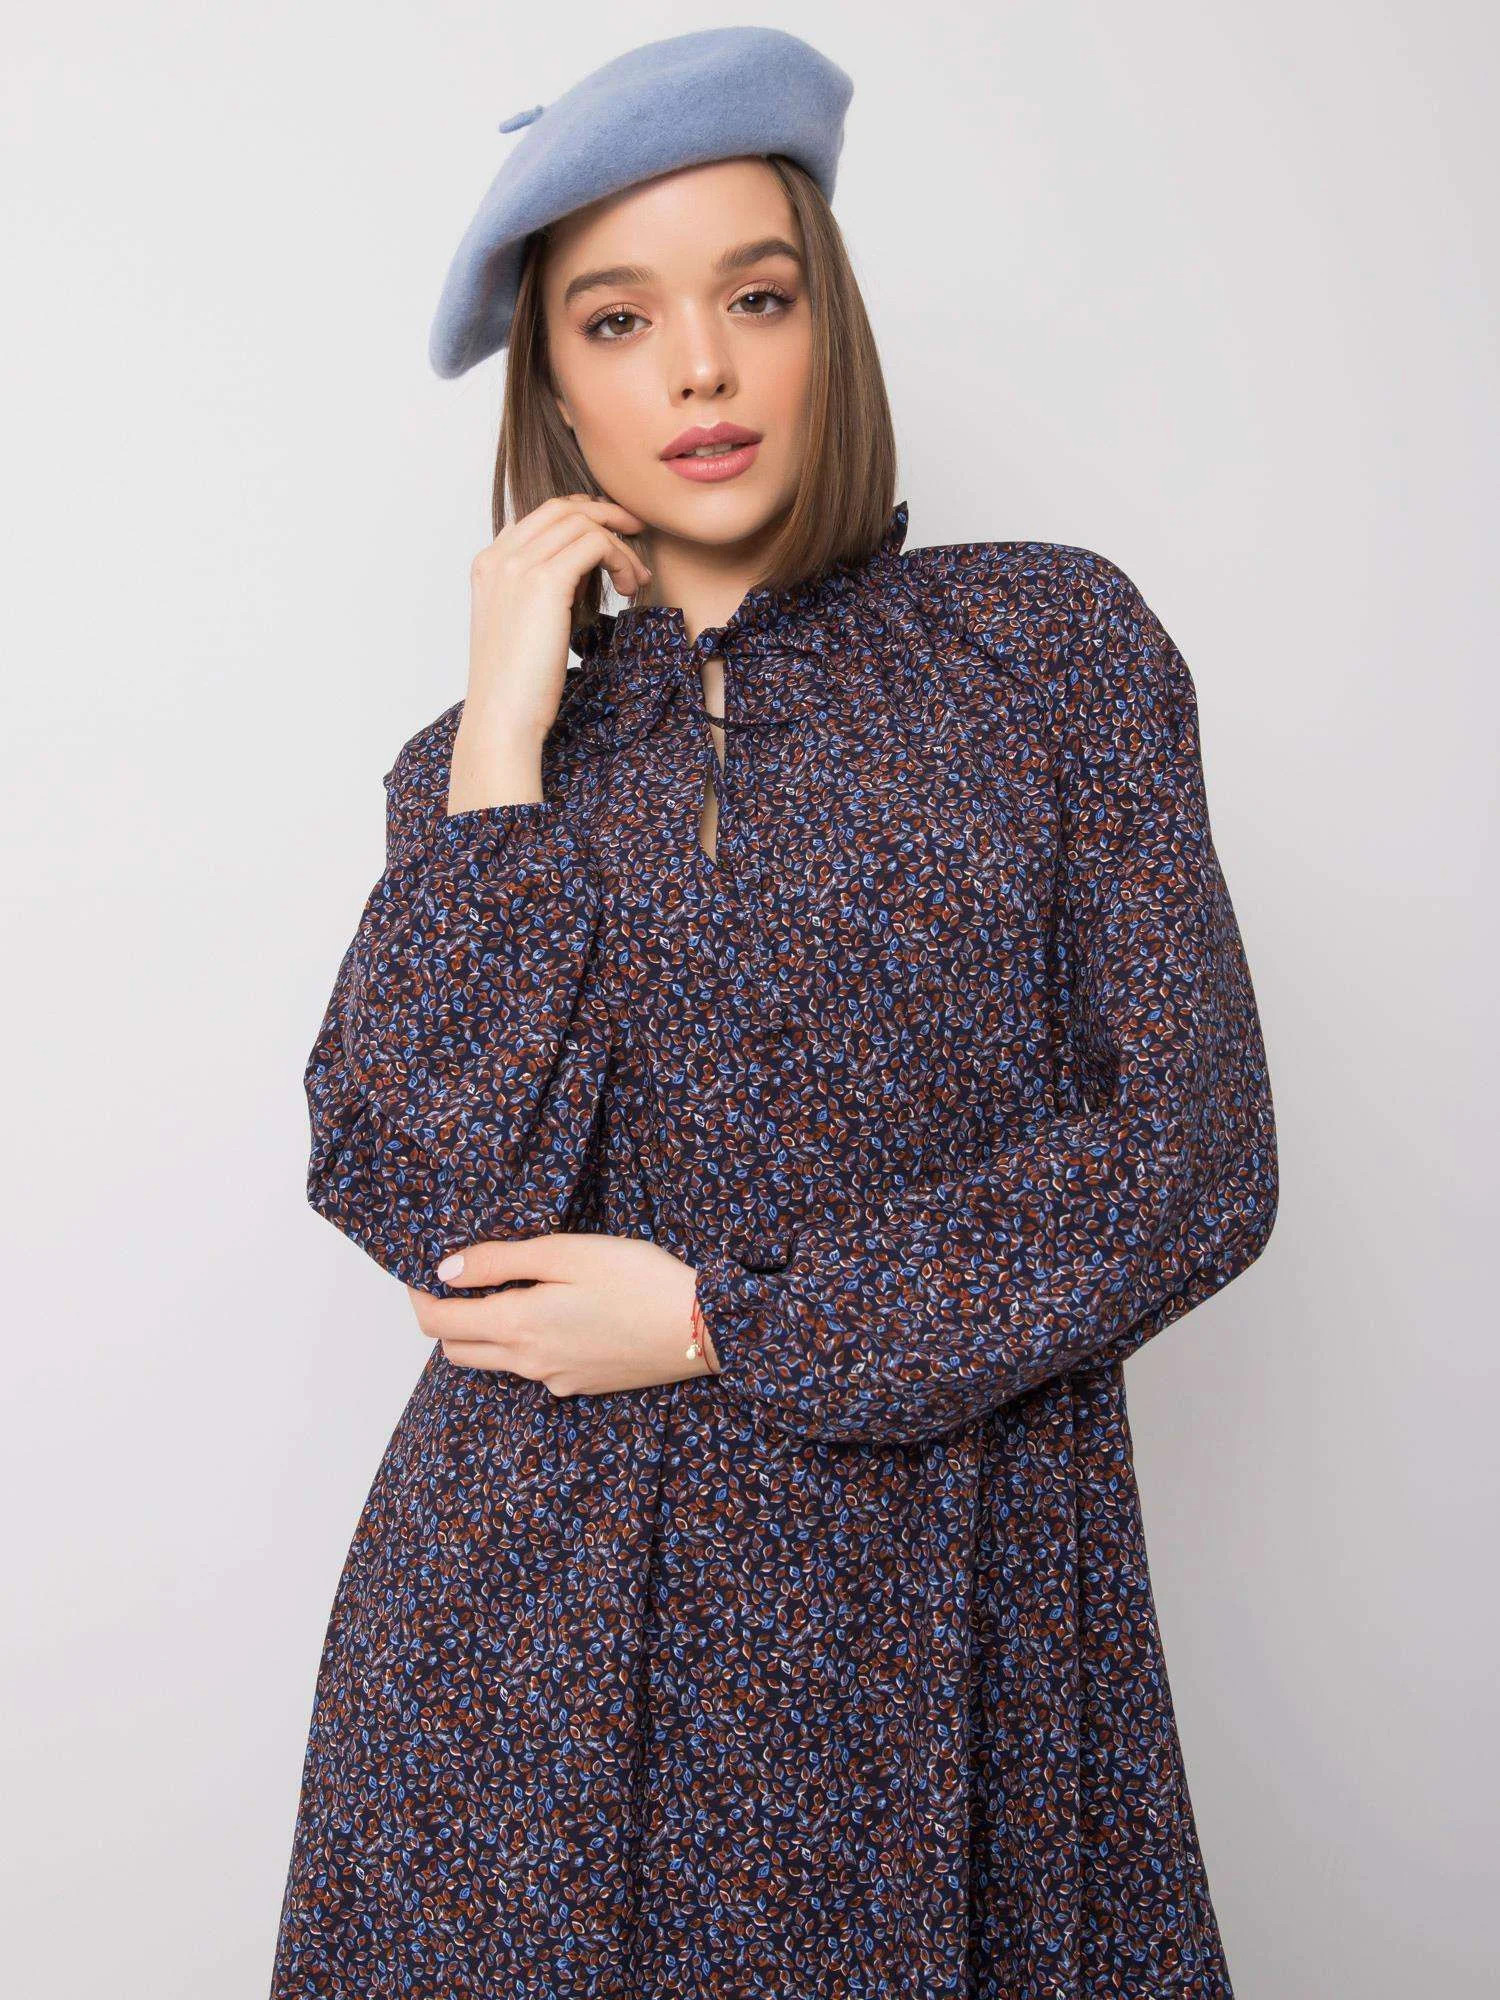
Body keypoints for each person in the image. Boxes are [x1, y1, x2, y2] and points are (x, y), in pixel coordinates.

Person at [270, 27, 1279, 1998]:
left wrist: (725, 1323)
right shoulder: (474, 775)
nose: (701, 371)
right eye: (618, 320)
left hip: (946, 1622)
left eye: (756, 295)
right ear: (554, 385)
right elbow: (433, 1210)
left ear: (832, 321)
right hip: (522, 1671)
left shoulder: (1049, 648)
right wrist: (501, 743)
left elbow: (1193, 1158)